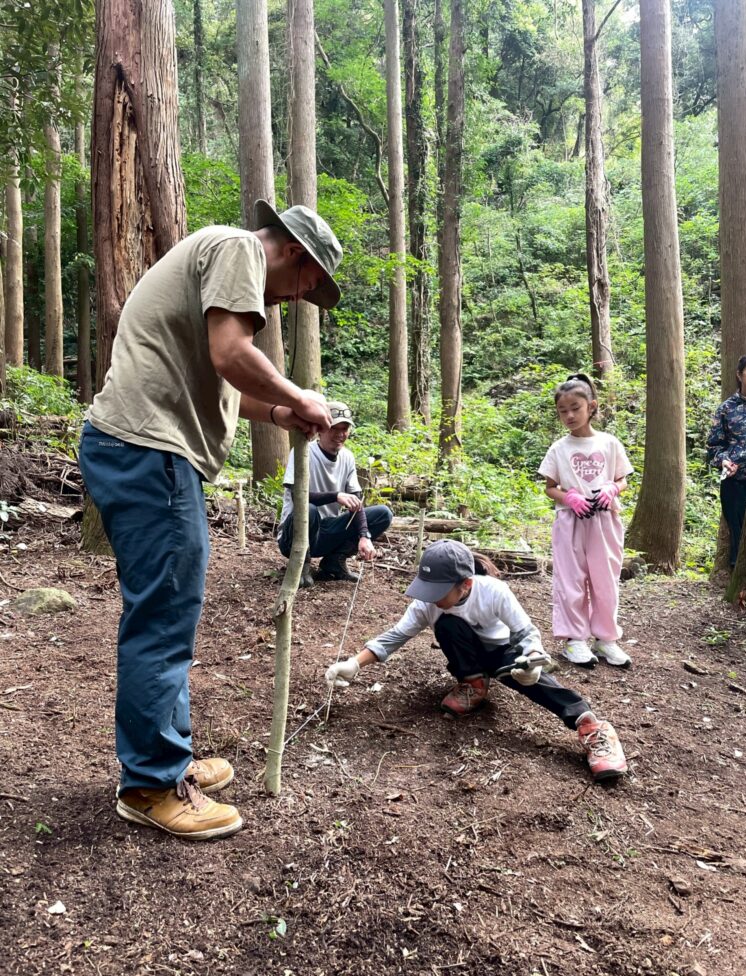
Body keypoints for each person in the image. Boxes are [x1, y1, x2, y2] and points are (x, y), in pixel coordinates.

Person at [78, 201, 343, 841]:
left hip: (142, 451)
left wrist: (280, 415)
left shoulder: (217, 258)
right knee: (164, 617)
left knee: (171, 612)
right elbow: (231, 354)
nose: (298, 299)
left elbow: (221, 379)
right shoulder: (238, 250)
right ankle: (149, 783)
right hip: (150, 452)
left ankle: (167, 758)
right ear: (295, 257)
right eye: (309, 287)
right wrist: (302, 395)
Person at [324, 540, 627, 783]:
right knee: (447, 625)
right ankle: (474, 684)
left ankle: (592, 727)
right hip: (469, 654)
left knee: (533, 682)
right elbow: (396, 635)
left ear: (465, 584)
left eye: (438, 591)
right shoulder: (427, 605)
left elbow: (526, 633)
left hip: (505, 653)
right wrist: (354, 663)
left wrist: (532, 662)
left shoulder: (494, 592)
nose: (430, 598)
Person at [538, 373, 633, 669]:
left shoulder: (609, 443)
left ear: (591, 406)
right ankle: (574, 640)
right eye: (563, 411)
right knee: (571, 580)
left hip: (604, 520)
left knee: (606, 581)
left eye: (575, 408)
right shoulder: (559, 448)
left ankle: (606, 639)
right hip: (570, 521)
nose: (569, 415)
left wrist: (612, 488)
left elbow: (623, 479)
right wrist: (569, 498)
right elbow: (550, 486)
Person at [277, 400, 393, 586]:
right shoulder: (302, 452)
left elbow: (356, 500)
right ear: (321, 429)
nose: (340, 434)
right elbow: (295, 496)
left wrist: (364, 535)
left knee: (382, 514)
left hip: (326, 531)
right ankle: (300, 565)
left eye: (344, 429)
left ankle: (334, 562)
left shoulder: (347, 457)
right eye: (334, 428)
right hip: (294, 535)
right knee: (309, 509)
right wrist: (335, 495)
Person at [706, 352, 746, 567]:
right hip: (736, 482)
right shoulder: (726, 409)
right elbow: (714, 447)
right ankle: (741, 586)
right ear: (739, 374)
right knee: (740, 536)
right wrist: (723, 460)